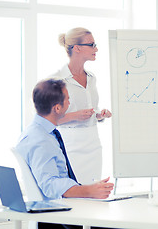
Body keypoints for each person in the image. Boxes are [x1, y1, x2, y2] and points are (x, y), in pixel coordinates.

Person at [15, 79, 114, 229]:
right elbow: (50, 184)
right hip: (60, 218)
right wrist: (89, 191)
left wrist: (89, 188)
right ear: (57, 108)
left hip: (62, 211)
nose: (69, 102)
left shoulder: (38, 132)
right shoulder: (41, 140)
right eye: (68, 99)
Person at [53, 27, 112, 185]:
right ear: (77, 48)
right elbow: (47, 118)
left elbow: (92, 109)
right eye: (92, 45)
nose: (96, 49)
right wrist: (75, 116)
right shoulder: (57, 80)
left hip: (93, 144)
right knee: (74, 193)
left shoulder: (92, 78)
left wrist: (99, 115)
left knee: (92, 194)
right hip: (70, 145)